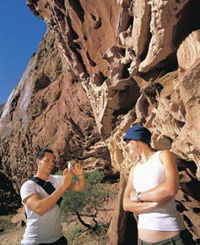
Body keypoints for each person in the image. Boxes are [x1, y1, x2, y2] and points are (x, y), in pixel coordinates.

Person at [123, 125, 195, 245]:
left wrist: (137, 196)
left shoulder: (163, 156)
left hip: (173, 240)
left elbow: (170, 189)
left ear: (137, 140)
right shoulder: (134, 170)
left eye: (128, 142)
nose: (126, 147)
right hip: (143, 242)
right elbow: (126, 204)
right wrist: (153, 204)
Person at [20, 148, 85, 245]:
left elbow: (79, 187)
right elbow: (39, 208)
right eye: (47, 160)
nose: (51, 163)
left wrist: (80, 175)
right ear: (38, 162)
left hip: (58, 239)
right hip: (35, 241)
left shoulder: (57, 180)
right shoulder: (28, 186)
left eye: (53, 161)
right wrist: (63, 186)